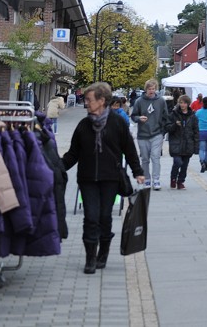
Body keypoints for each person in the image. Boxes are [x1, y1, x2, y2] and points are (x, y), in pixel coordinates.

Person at [61, 82, 145, 274]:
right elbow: (73, 154)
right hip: (87, 178)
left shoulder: (117, 123)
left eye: (89, 99)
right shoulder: (83, 125)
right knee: (90, 217)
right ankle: (90, 258)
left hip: (110, 179)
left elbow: (129, 150)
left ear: (101, 101)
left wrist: (138, 172)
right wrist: (56, 167)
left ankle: (103, 253)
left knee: (104, 217)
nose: (86, 103)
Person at [129, 79, 170, 190]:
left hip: (157, 134)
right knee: (145, 159)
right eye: (149, 89)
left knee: (155, 157)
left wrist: (162, 131)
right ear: (146, 89)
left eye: (153, 89)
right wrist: (138, 118)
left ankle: (156, 180)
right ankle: (147, 179)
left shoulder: (161, 101)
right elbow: (133, 116)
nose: (151, 91)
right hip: (143, 135)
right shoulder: (139, 101)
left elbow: (165, 116)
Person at [166, 95, 199, 189]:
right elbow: (167, 127)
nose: (182, 105)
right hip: (176, 143)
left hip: (188, 144)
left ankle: (180, 181)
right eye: (181, 102)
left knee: (184, 165)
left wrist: (196, 147)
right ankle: (173, 178)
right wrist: (175, 125)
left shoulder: (193, 116)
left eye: (184, 103)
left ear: (188, 104)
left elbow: (196, 132)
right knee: (178, 162)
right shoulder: (173, 114)